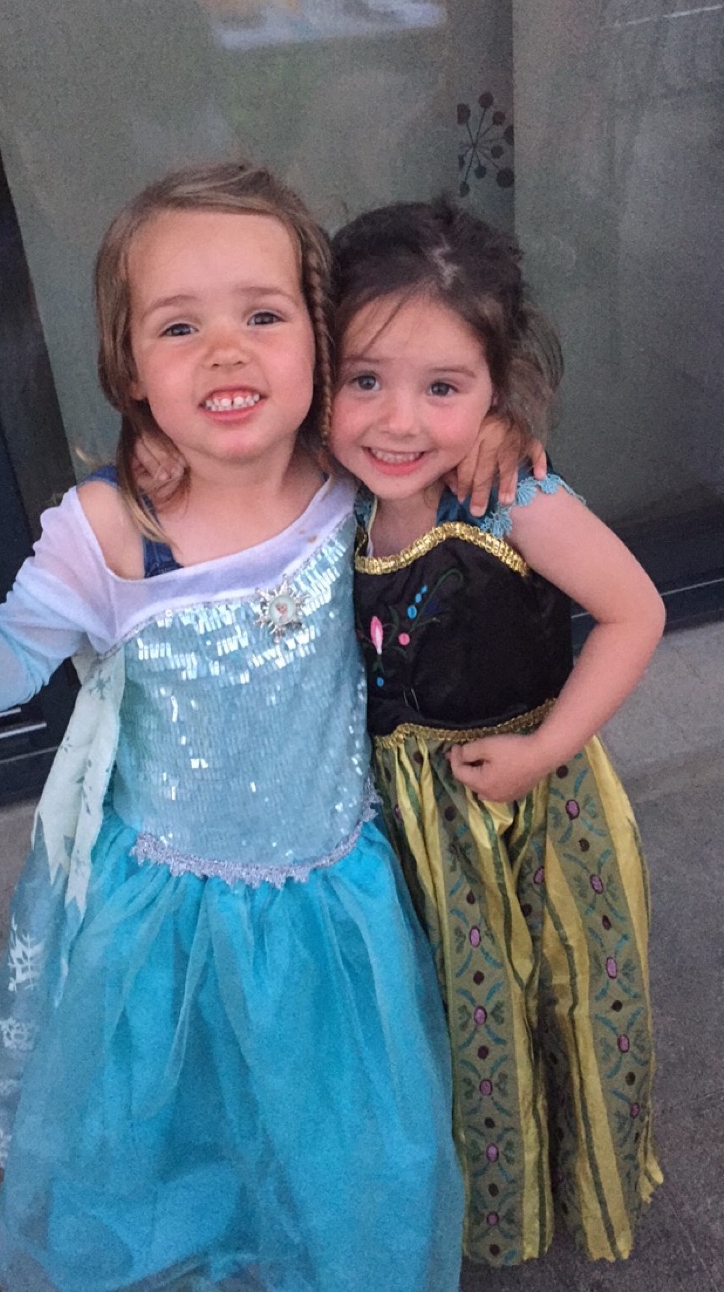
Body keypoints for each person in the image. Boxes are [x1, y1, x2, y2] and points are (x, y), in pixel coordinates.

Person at [0, 163, 469, 1292]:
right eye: (179, 325)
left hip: (332, 885)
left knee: (335, 1110)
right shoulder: (114, 529)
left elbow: (443, 412)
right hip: (168, 905)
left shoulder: (352, 471)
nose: (226, 352)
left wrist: (493, 431)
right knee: (170, 1100)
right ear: (128, 367)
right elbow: (5, 659)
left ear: (321, 342)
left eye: (263, 315)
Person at [327, 198, 666, 1267]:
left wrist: (545, 750)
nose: (398, 421)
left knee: (557, 996)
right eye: (364, 378)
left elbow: (636, 611)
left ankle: (560, 1192)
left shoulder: (516, 500)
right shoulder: (330, 498)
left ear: (496, 385)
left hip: (527, 809)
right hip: (402, 828)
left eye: (444, 387)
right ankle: (468, 1199)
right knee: (452, 1024)